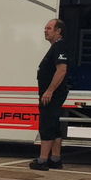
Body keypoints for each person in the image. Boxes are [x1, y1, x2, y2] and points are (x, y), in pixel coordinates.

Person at [30, 18, 71, 170]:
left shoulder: (59, 47)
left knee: (46, 124)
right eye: (45, 28)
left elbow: (62, 70)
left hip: (52, 95)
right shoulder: (56, 47)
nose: (45, 30)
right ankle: (55, 158)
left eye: (49, 28)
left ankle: (42, 160)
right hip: (53, 94)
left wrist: (49, 91)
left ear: (58, 31)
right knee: (54, 125)